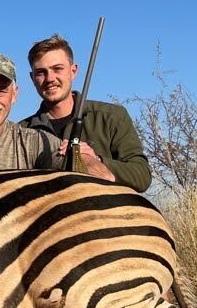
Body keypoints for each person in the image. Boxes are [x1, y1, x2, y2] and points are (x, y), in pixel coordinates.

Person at [21, 34, 151, 192]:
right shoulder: (22, 131)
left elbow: (142, 176)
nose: (50, 78)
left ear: (73, 71)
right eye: (41, 72)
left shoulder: (112, 117)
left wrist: (98, 161)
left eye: (57, 69)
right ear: (32, 78)